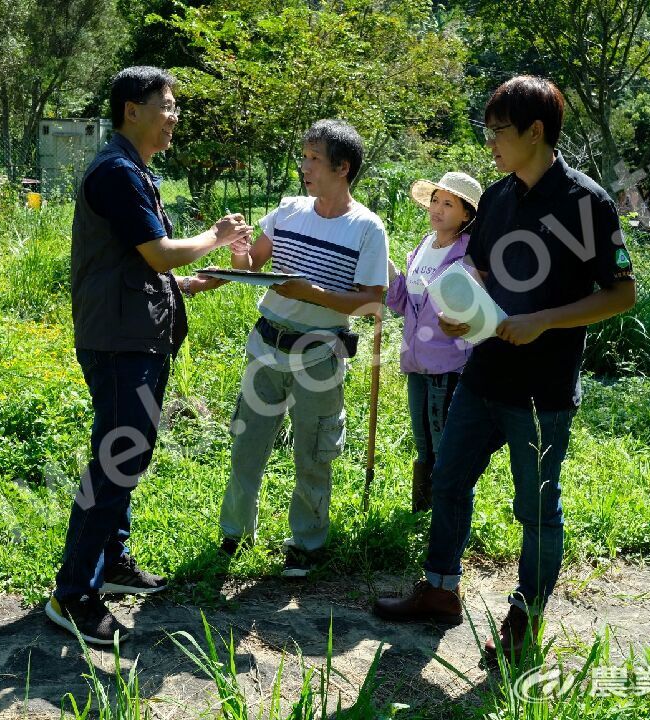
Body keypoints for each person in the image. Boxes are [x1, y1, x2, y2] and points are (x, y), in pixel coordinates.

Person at [373, 76, 637, 669]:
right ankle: (440, 588)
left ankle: (526, 616)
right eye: (488, 130)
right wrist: (466, 313)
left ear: (535, 131)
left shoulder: (587, 202)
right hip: (484, 373)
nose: (490, 141)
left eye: (499, 130)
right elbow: (487, 275)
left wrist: (544, 320)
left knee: (536, 507)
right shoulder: (495, 197)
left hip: (541, 389)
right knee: (447, 478)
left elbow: (622, 293)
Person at [48, 66, 253, 646]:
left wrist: (186, 286)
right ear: (130, 110)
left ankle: (112, 564)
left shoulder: (133, 170)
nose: (173, 116)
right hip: (118, 343)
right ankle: (74, 594)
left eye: (174, 106)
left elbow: (137, 264)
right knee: (116, 461)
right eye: (165, 105)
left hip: (134, 333)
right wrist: (215, 237)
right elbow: (160, 253)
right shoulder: (116, 171)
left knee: (125, 456)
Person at [218, 119, 389, 577]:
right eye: (304, 157)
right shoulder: (289, 210)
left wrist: (311, 293)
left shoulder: (367, 228)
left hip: (319, 355)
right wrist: (237, 250)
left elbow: (373, 300)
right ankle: (234, 533)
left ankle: (307, 543)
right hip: (266, 345)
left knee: (314, 452)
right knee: (246, 443)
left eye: (314, 159)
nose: (304, 167)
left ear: (343, 167)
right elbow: (252, 263)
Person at [385, 171, 483, 512]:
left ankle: (448, 514)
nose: (437, 209)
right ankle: (423, 511)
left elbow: (477, 310)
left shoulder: (469, 254)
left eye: (448, 203)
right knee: (423, 440)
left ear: (466, 214)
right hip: (415, 359)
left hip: (448, 360)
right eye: (435, 201)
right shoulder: (423, 247)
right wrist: (385, 268)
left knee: (445, 443)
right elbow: (402, 303)